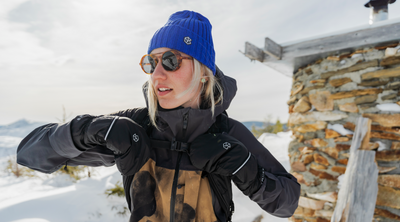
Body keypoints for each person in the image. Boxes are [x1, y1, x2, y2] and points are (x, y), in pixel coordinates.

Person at [17, 10, 300, 222]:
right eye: (151, 62)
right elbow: (30, 155)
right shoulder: (135, 127)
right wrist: (82, 131)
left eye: (171, 60)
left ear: (204, 72)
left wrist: (246, 168)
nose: (157, 74)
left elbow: (287, 204)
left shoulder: (226, 132)